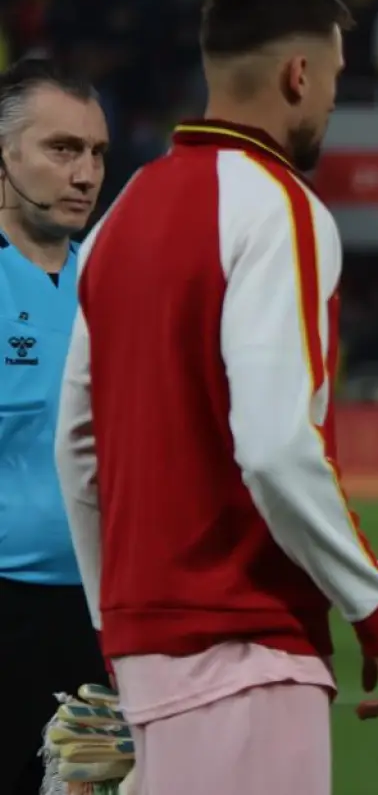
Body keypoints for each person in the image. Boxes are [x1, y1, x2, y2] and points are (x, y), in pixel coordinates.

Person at [52, 0, 378, 795]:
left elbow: (75, 447)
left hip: (148, 661)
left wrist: (118, 619)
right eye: (335, 78)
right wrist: (376, 607)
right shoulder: (281, 207)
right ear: (299, 75)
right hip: (250, 653)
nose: (333, 101)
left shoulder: (121, 215)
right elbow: (278, 448)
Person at [0, 58, 111, 795]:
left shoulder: (114, 285)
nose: (86, 173)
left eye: (98, 152)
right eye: (62, 149)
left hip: (101, 620)